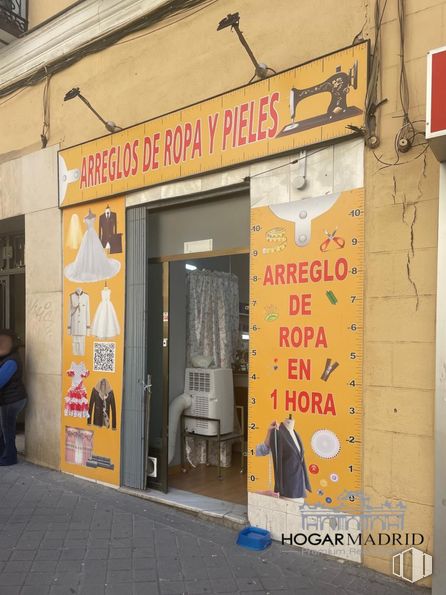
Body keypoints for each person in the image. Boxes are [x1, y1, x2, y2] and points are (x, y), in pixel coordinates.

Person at [0, 330, 27, 466]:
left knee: (7, 429)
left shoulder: (11, 361)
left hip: (12, 400)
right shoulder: (8, 358)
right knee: (4, 428)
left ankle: (10, 458)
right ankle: (4, 454)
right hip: (11, 399)